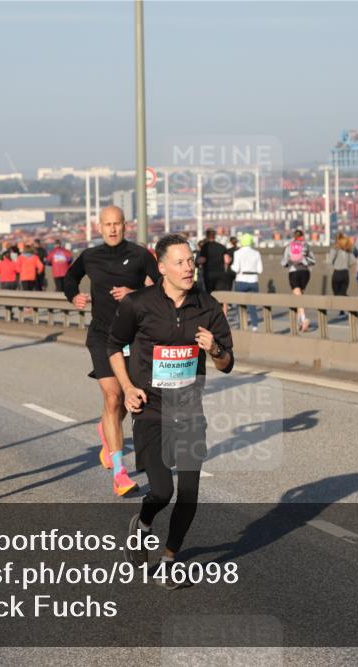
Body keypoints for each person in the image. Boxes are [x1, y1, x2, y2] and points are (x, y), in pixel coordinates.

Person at [108, 234, 234, 587]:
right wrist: (129, 388)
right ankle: (144, 524)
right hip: (151, 409)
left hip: (190, 410)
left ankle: (168, 560)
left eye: (191, 260)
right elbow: (114, 345)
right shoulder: (138, 304)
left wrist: (215, 348)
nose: (188, 267)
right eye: (179, 262)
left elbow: (226, 363)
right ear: (161, 267)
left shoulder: (208, 307)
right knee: (162, 491)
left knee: (190, 493)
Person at [63, 205, 160, 497]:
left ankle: (106, 428)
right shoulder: (90, 256)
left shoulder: (141, 254)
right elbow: (69, 278)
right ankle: (119, 473)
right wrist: (74, 296)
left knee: (126, 404)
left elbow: (161, 288)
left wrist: (136, 294)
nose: (113, 229)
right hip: (102, 336)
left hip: (134, 337)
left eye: (117, 223)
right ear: (99, 227)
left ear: (125, 225)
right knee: (113, 396)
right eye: (108, 224)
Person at [281, 228, 316, 332]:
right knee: (299, 297)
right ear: (302, 236)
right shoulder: (306, 245)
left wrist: (290, 262)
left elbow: (284, 262)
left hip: (294, 272)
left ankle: (304, 319)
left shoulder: (288, 246)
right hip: (305, 273)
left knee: (298, 297)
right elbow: (313, 261)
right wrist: (304, 261)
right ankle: (299, 322)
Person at [230, 232, 263, 331]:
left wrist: (230, 265)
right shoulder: (256, 253)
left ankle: (242, 324)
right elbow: (260, 270)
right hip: (253, 280)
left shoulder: (237, 253)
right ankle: (255, 325)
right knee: (252, 304)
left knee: (240, 304)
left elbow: (236, 269)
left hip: (241, 280)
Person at [198, 229, 228, 294]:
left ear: (207, 236)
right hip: (220, 274)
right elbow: (227, 261)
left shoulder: (205, 247)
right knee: (221, 294)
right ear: (215, 236)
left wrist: (196, 262)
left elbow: (202, 260)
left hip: (208, 274)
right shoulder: (222, 247)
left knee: (210, 294)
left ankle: (211, 304)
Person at [327, 232, 355, 301]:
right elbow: (352, 261)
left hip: (337, 273)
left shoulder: (334, 249)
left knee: (336, 293)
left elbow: (329, 262)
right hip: (345, 273)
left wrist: (332, 271)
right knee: (343, 293)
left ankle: (342, 309)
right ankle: (342, 310)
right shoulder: (348, 250)